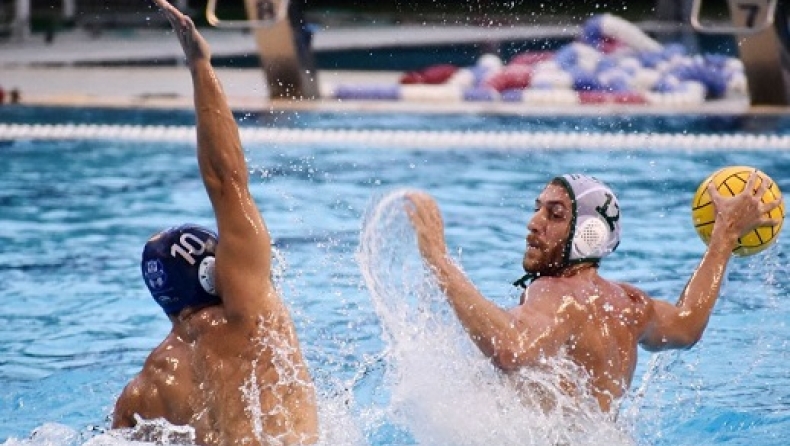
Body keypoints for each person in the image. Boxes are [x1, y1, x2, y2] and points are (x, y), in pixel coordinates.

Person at [111, 1, 318, 444]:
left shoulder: (140, 394)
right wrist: (200, 66)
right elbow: (227, 181)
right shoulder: (248, 319)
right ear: (210, 272)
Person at [405, 172, 781, 414]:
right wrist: (724, 239)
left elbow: (512, 349)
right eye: (538, 209)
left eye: (554, 215)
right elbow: (688, 324)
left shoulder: (556, 294)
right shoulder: (631, 305)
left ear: (589, 235)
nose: (533, 223)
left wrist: (439, 260)